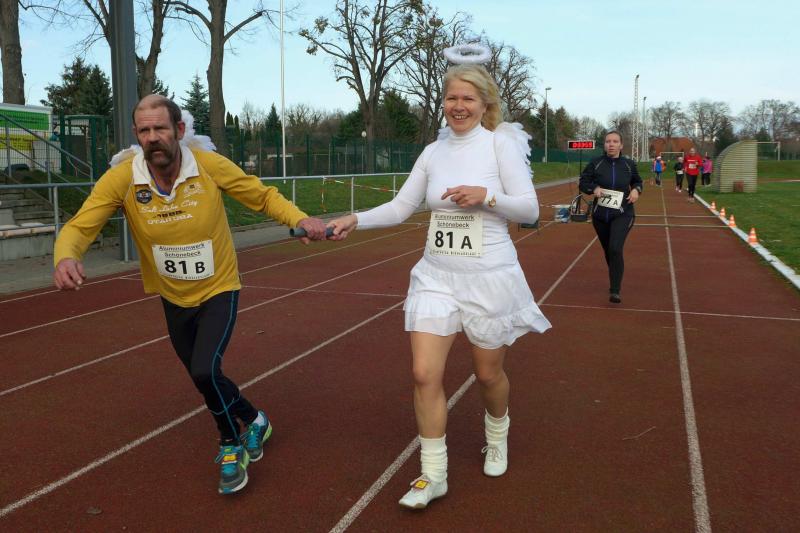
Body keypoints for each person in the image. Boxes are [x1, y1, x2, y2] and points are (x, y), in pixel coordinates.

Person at [52, 95, 328, 495]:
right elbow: (81, 225)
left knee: (203, 370)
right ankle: (255, 420)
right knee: (206, 377)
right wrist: (66, 256)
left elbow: (262, 196)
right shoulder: (124, 179)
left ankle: (231, 443)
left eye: (160, 129)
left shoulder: (207, 166)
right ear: (136, 135)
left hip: (218, 288)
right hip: (172, 295)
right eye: (144, 131)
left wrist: (300, 218)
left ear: (179, 130)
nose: (153, 138)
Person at [327, 59, 551, 509]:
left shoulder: (499, 145)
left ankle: (497, 434)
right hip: (436, 276)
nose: (458, 106)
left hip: (488, 276)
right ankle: (433, 474)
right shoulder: (433, 152)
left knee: (487, 375)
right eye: (451, 98)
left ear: (485, 104)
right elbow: (400, 207)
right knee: (423, 373)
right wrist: (355, 218)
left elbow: (530, 210)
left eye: (468, 98)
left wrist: (487, 197)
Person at [579, 131, 642, 304]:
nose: (611, 144)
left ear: (621, 145)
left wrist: (636, 190)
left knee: (615, 248)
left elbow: (638, 181)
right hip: (600, 216)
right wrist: (594, 188)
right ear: (604, 145)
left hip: (623, 213)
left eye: (615, 141)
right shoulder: (596, 163)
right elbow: (583, 182)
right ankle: (615, 274)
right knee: (609, 251)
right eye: (608, 141)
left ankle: (615, 290)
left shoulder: (628, 164)